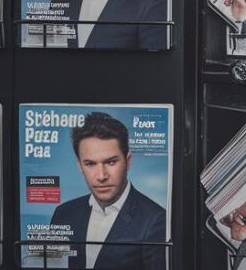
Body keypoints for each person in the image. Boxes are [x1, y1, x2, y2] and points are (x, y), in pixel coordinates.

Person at [49, 112, 166, 270]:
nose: (101, 176)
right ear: (80, 166)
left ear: (128, 161)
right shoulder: (63, 213)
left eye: (111, 162)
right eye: (90, 164)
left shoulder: (156, 219)